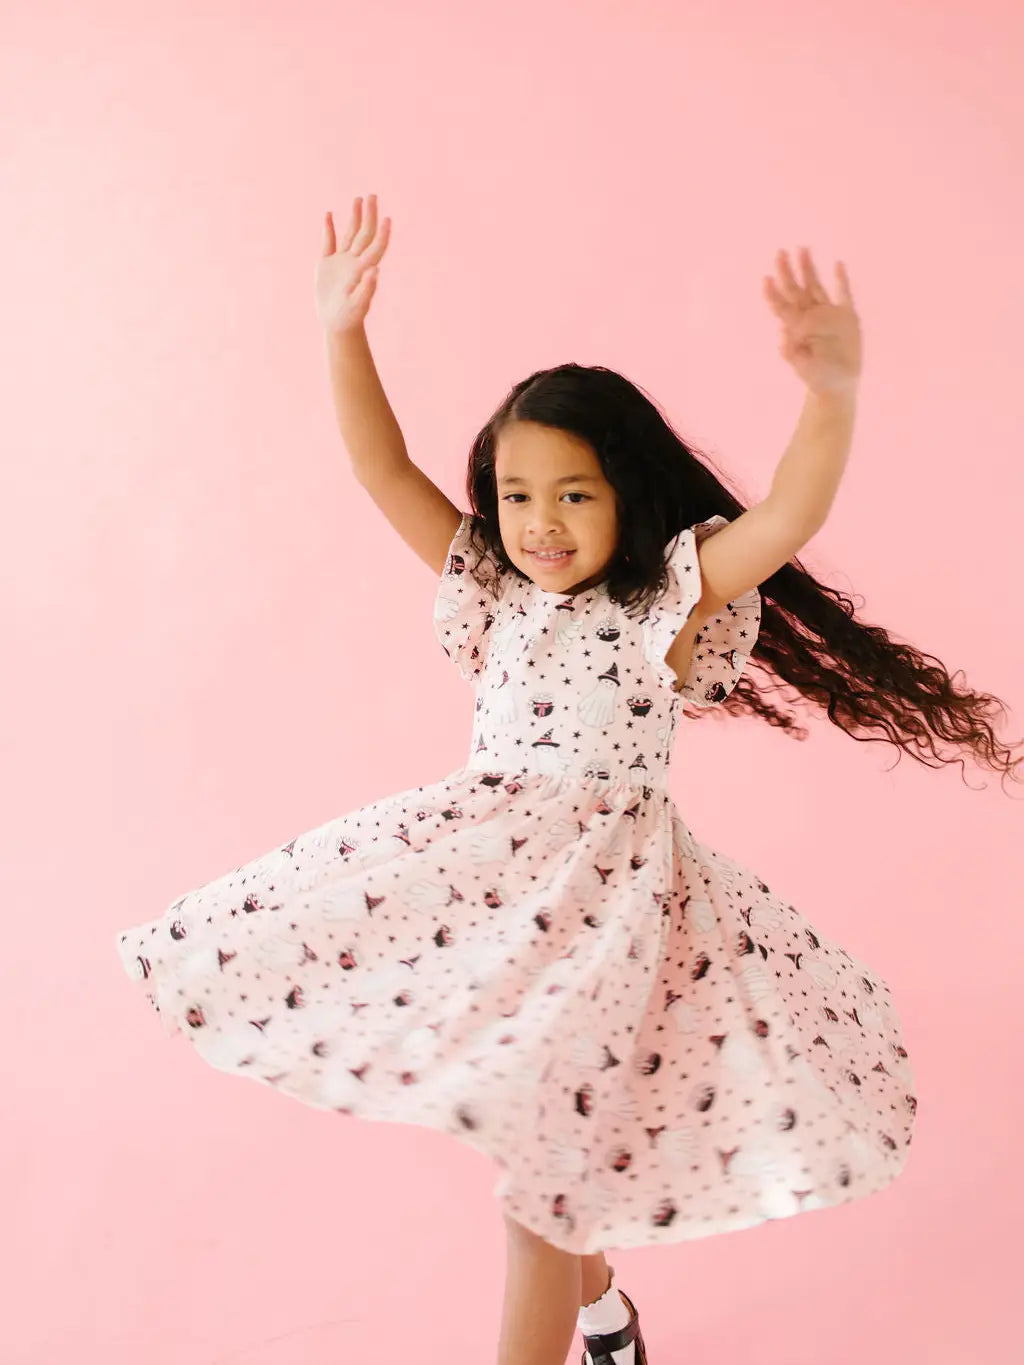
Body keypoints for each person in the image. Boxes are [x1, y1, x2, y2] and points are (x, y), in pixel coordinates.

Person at [115, 193, 1023, 1365]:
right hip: (481, 876)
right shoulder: (490, 586)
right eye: (517, 496)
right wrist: (342, 331)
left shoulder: (668, 599)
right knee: (538, 1150)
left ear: (630, 498)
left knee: (544, 1167)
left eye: (574, 496)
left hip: (612, 905)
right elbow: (378, 464)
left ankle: (578, 1327)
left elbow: (788, 514)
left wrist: (828, 393)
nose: (539, 525)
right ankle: (603, 1317)